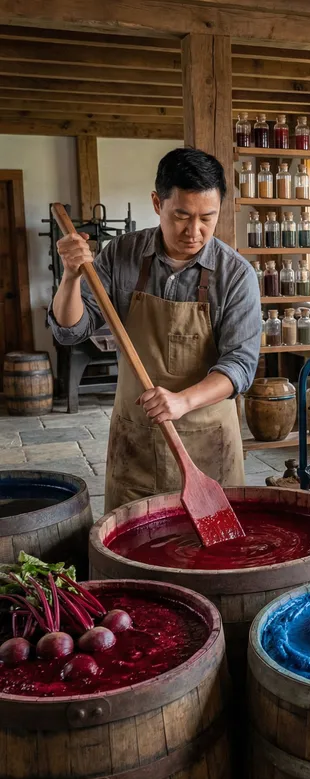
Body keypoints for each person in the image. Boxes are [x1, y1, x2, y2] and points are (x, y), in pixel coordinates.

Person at [49, 147, 262, 512]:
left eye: (207, 218)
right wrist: (70, 278)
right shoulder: (122, 254)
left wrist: (182, 401)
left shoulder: (235, 275)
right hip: (136, 441)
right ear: (157, 203)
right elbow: (71, 331)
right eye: (181, 215)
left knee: (210, 542)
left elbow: (240, 365)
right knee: (131, 537)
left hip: (207, 443)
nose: (194, 232)